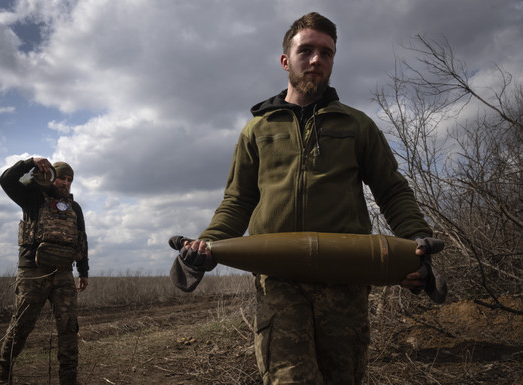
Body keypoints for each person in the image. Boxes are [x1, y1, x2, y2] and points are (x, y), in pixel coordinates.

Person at [170, 12, 445, 385]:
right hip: (279, 280)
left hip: (345, 279)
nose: (316, 60)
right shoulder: (257, 130)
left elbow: (391, 189)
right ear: (286, 60)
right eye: (307, 50)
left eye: (326, 53)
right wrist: (207, 244)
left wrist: (416, 240)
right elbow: (237, 200)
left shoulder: (357, 125)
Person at [0, 157, 89, 385]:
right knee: (21, 327)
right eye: (62, 178)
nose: (65, 183)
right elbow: (6, 180)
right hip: (33, 272)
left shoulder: (74, 207)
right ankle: (2, 378)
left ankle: (69, 380)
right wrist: (30, 163)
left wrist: (83, 271)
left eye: (70, 179)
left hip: (64, 273)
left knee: (68, 328)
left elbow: (82, 239)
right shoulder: (33, 197)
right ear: (52, 177)